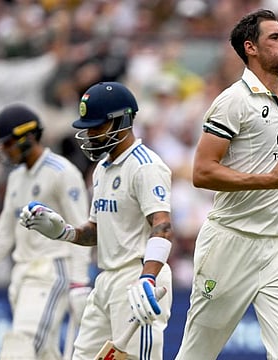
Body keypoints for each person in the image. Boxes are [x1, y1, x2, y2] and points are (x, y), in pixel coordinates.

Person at [174, 9, 278, 360]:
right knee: (198, 353)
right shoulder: (232, 102)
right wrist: (269, 180)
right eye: (275, 38)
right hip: (230, 242)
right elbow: (202, 172)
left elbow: (275, 171)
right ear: (250, 48)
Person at [19, 81, 174, 360]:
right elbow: (97, 230)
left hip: (137, 277)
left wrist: (147, 278)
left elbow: (162, 226)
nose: (89, 134)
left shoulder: (145, 165)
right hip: (106, 279)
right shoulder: (102, 169)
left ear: (122, 121)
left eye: (97, 126)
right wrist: (65, 232)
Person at [0, 103, 92, 360]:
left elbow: (81, 229)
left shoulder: (62, 173)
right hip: (22, 277)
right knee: (43, 353)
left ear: (28, 137)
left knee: (21, 347)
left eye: (8, 143)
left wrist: (79, 282)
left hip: (51, 272)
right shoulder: (16, 178)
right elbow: (4, 234)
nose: (3, 150)